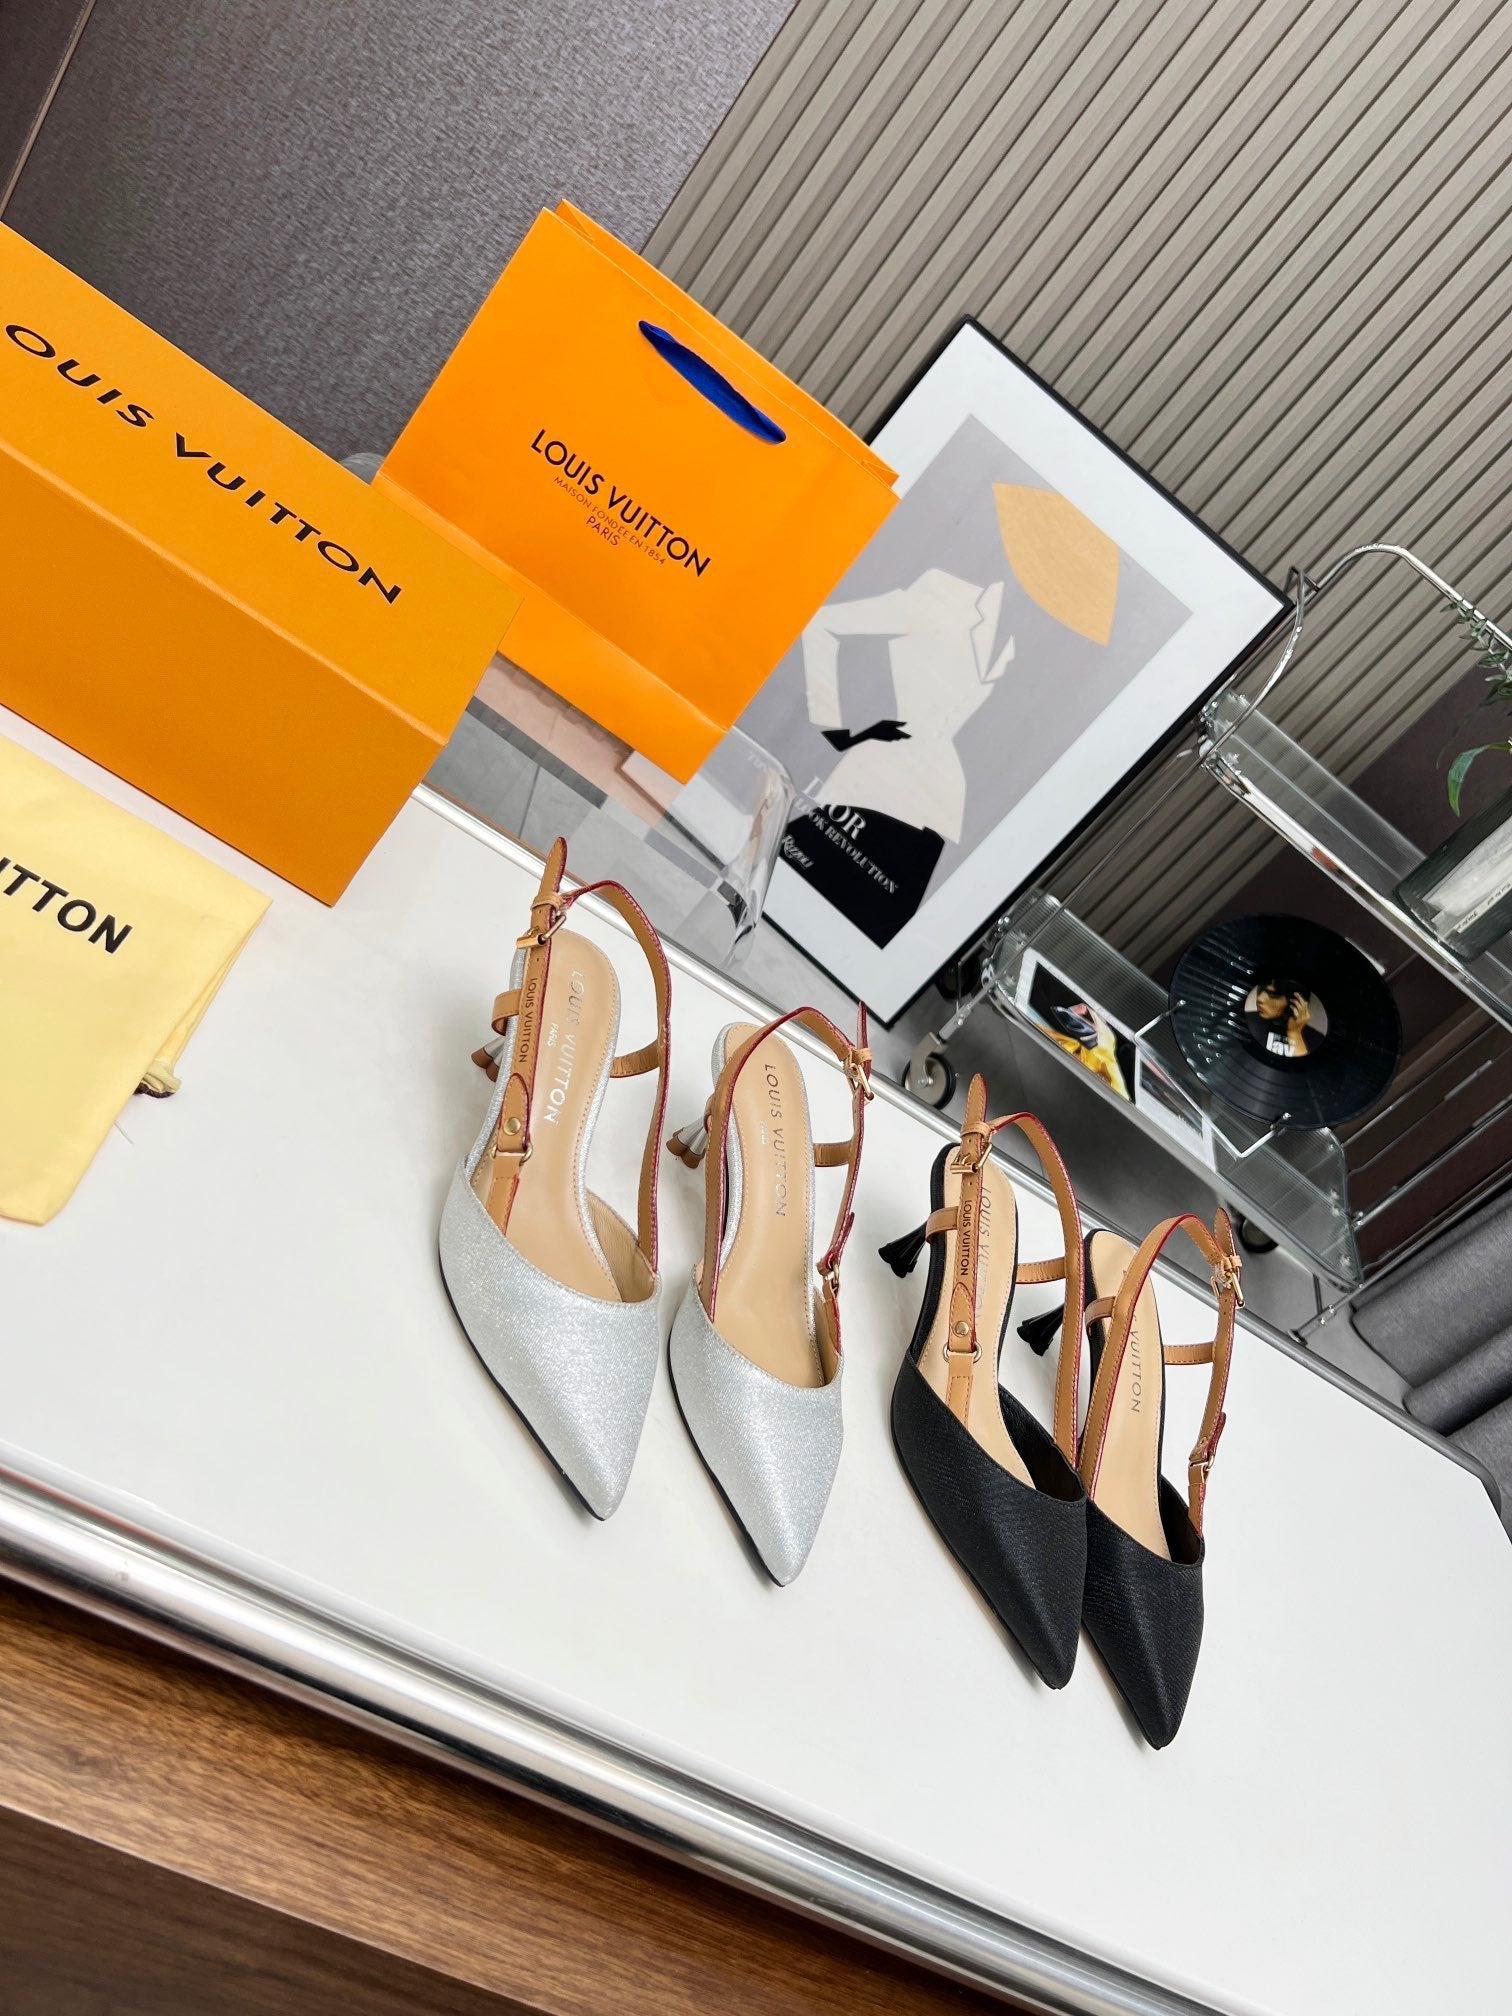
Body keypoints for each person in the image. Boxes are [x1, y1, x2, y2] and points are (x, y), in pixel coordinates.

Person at [1245, 977, 1320, 1058]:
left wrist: (1295, 1034)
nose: (1259, 998)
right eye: (1260, 990)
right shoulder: (1250, 1020)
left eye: (1273, 994)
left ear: (1295, 1003)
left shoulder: (1315, 1038)